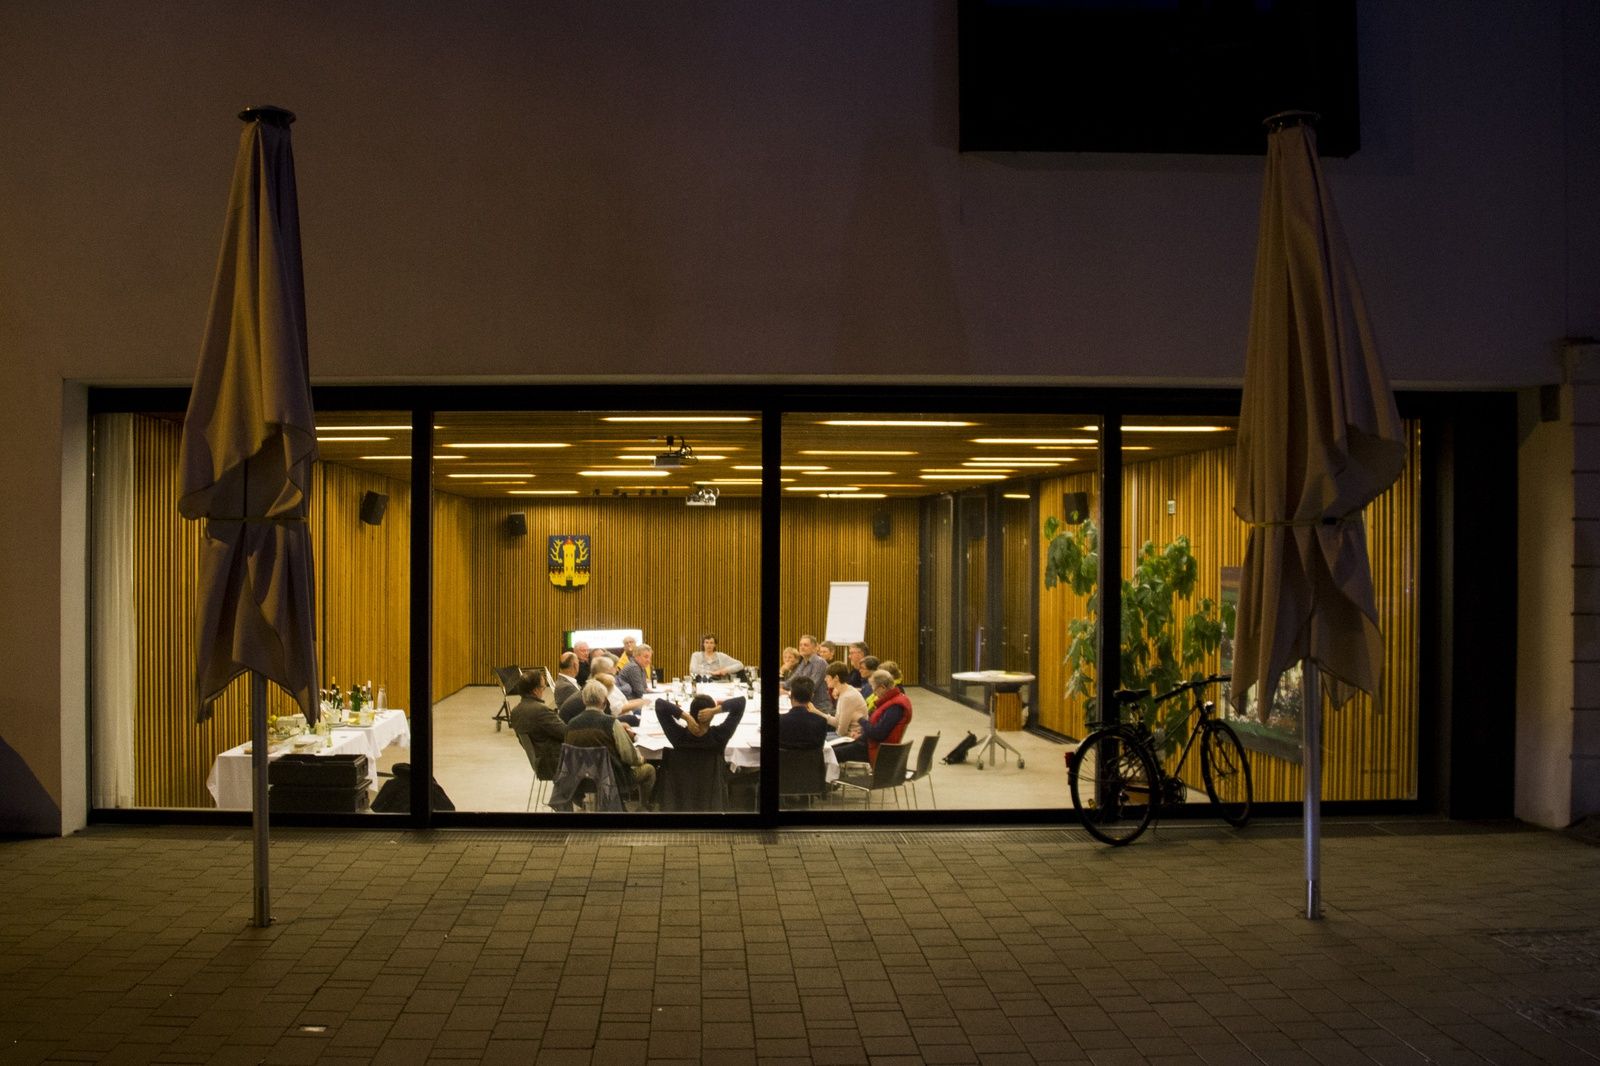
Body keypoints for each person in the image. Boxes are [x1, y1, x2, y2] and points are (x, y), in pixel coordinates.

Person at [565, 679, 656, 808]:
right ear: (604, 701)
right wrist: (641, 759)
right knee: (650, 770)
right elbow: (629, 756)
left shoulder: (571, 725)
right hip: (613, 779)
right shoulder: (611, 723)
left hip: (581, 781)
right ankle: (643, 807)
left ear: (584, 701)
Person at [832, 668, 912, 765]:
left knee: (830, 753)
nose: (873, 693)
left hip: (874, 750)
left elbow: (878, 733)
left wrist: (860, 719)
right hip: (868, 743)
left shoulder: (895, 707)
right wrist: (862, 733)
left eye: (874, 688)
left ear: (882, 687)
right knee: (832, 749)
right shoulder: (895, 700)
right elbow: (878, 728)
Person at [509, 669, 565, 780]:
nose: (544, 691)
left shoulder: (515, 712)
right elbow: (566, 733)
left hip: (540, 763)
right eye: (543, 687)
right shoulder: (540, 711)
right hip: (554, 763)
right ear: (535, 690)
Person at [782, 634, 832, 713]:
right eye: (800, 645)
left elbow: (810, 687)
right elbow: (792, 681)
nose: (802, 647)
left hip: (820, 708)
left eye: (805, 645)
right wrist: (781, 685)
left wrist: (788, 692)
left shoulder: (820, 663)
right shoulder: (803, 662)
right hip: (807, 706)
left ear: (814, 648)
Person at [778, 676, 830, 750]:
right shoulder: (821, 722)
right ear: (812, 696)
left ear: (791, 695)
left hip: (784, 758)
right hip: (813, 758)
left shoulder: (781, 721)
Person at [825, 662, 869, 740]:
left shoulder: (847, 697)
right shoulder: (845, 690)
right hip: (848, 734)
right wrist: (816, 712)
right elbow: (838, 722)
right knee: (818, 737)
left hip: (853, 737)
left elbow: (841, 731)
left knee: (818, 740)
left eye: (827, 677)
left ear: (836, 678)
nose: (825, 679)